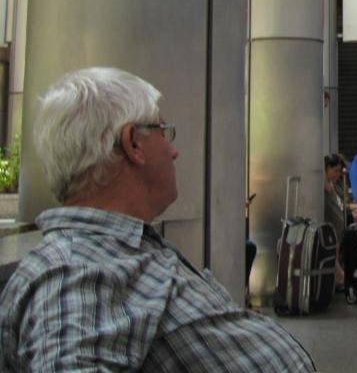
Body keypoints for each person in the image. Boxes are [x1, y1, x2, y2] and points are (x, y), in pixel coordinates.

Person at [0, 67, 315, 372]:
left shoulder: (112, 252)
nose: (173, 151)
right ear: (133, 143)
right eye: (164, 131)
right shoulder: (77, 272)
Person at [324, 153, 348, 289]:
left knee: (336, 253)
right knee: (333, 254)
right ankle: (340, 278)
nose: (338, 174)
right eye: (336, 170)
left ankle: (338, 279)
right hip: (331, 228)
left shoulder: (331, 184)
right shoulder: (323, 183)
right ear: (327, 168)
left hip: (337, 228)